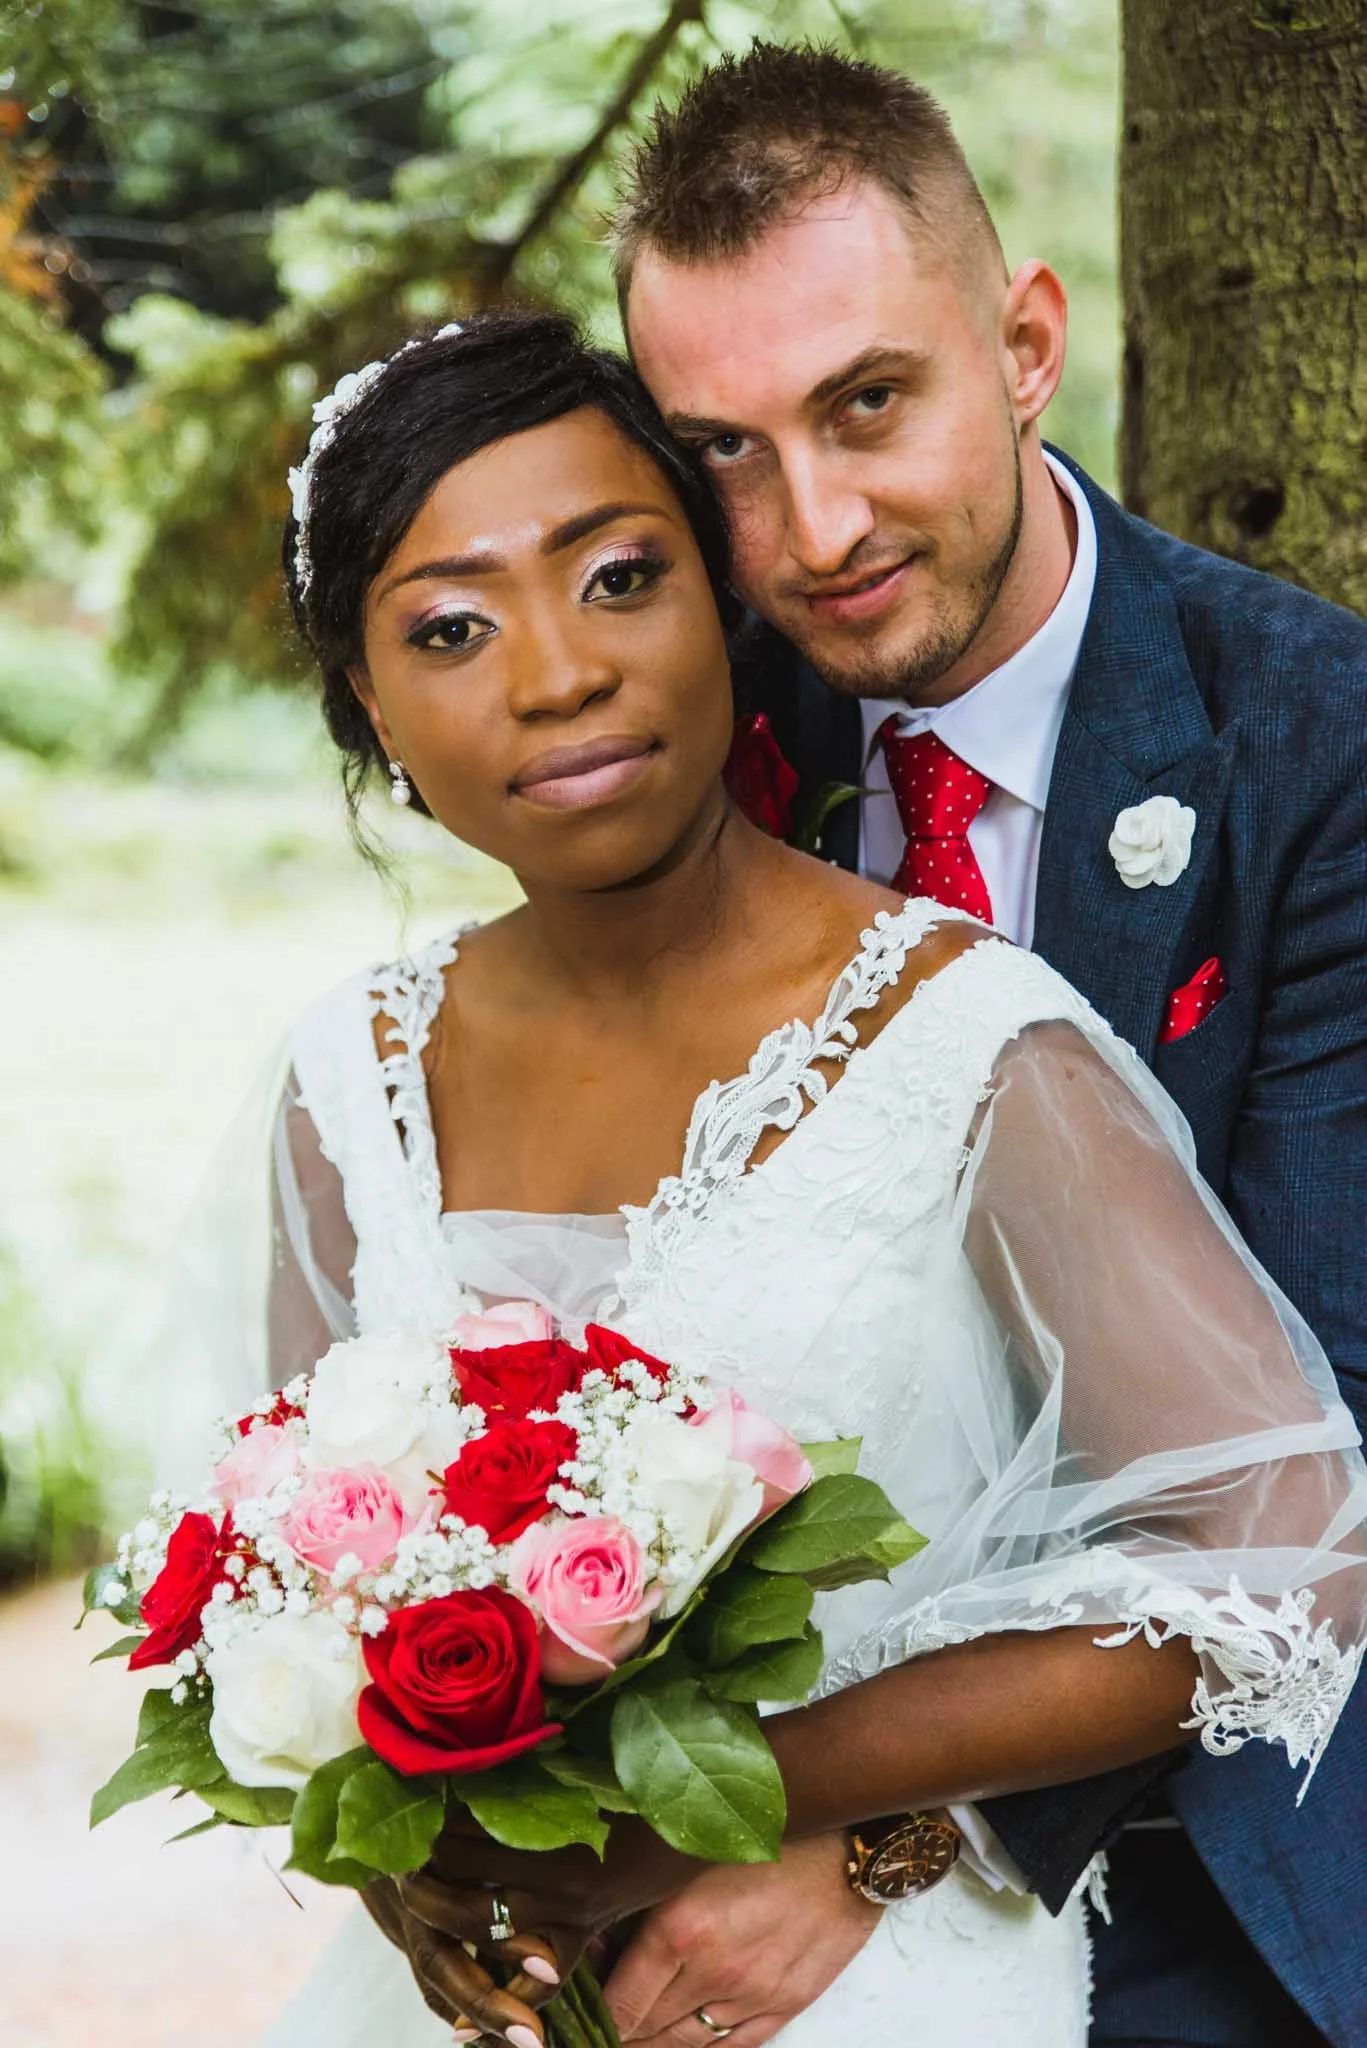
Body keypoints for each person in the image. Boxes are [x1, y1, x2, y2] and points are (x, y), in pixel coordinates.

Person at [252, 311, 1367, 2048]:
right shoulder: (351, 1079)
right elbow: (291, 1582)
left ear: (724, 604)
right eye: (453, 629)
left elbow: (1276, 1567)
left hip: (879, 1980)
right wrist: (413, 1856)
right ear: (369, 711)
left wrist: (746, 1796)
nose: (557, 673)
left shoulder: (967, 1042)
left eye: (619, 578)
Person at [588, 42, 1367, 2048]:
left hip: (1218, 1841)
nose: (811, 525)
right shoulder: (681, 759)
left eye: (864, 403)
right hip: (709, 1802)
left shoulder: (1314, 751)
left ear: (1023, 343)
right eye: (724, 455)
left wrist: (876, 1837)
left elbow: (1327, 1435)